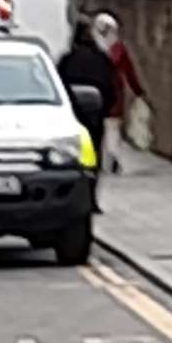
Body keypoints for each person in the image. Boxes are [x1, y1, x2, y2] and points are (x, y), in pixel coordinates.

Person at [57, 16, 117, 213]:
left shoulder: (67, 59)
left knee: (74, 159)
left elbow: (59, 88)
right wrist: (105, 109)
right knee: (93, 159)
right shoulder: (101, 59)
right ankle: (91, 198)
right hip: (94, 118)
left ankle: (72, 197)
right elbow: (110, 87)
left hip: (72, 119)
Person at [92, 12, 147, 174]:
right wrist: (137, 90)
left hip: (99, 91)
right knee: (112, 127)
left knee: (102, 126)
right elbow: (128, 71)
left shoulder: (92, 48)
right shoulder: (118, 48)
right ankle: (112, 156)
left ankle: (103, 157)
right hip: (114, 91)